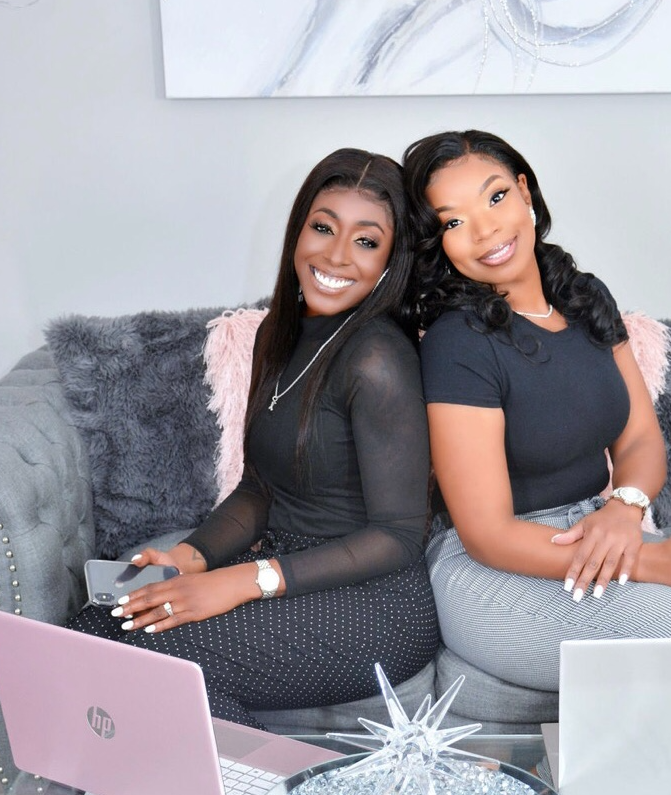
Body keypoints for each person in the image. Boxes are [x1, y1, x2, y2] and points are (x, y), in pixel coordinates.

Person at [401, 129, 671, 692]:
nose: (486, 229)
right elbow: (487, 533)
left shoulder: (583, 296)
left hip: (602, 528)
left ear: (524, 191)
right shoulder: (458, 342)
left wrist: (626, 508)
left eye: (496, 197)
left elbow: (641, 439)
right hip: (497, 569)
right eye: (454, 222)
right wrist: (654, 562)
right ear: (439, 243)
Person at [68, 148, 440, 726]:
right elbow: (259, 488)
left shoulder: (378, 359)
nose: (336, 256)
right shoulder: (278, 333)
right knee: (94, 627)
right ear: (298, 231)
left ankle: (255, 770)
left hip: (374, 600)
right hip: (284, 561)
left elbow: (398, 536)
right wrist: (190, 557)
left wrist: (243, 581)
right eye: (323, 228)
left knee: (139, 655)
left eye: (366, 241)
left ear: (391, 261)